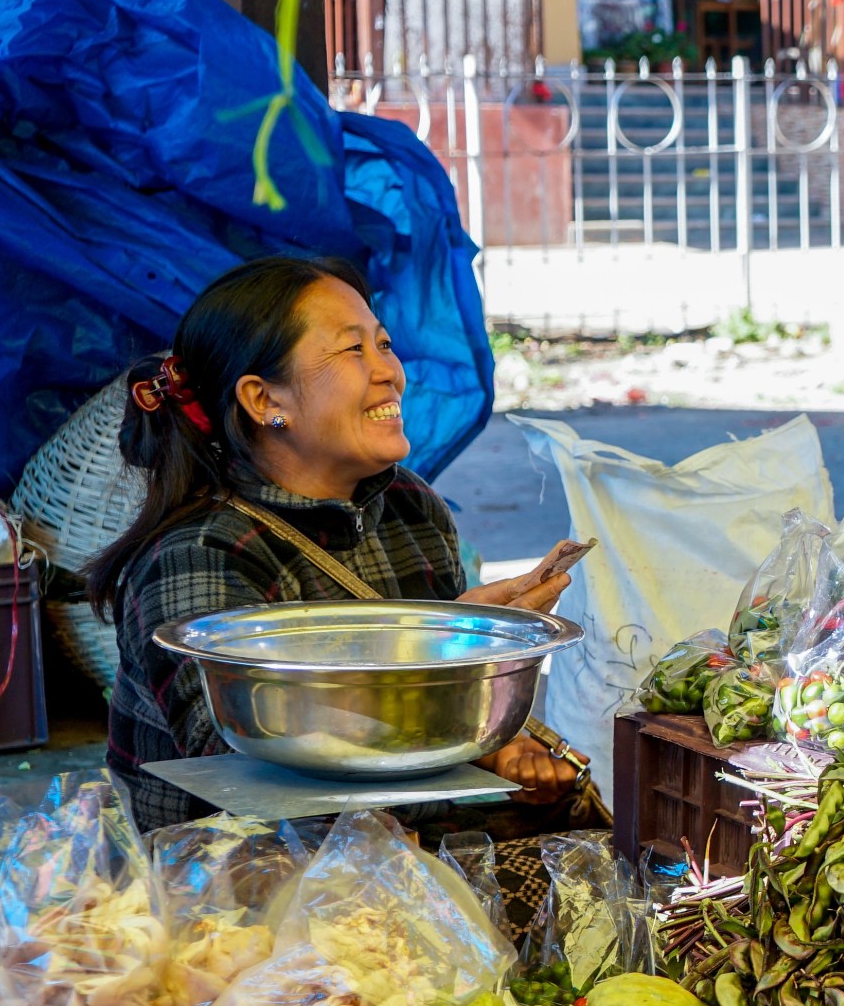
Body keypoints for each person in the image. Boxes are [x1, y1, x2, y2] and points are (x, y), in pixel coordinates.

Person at [89, 255, 593, 836]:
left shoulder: (407, 504)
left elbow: (420, 744)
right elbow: (254, 766)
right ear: (265, 401)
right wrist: (437, 657)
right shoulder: (199, 554)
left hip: (403, 853)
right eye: (354, 350)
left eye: (384, 344)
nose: (389, 372)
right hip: (238, 877)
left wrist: (488, 721)